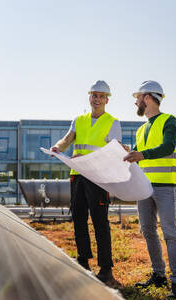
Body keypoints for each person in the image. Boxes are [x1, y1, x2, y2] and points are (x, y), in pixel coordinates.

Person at [50, 80, 122, 287]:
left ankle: (106, 269)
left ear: (107, 99)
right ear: (89, 97)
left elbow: (114, 152)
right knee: (78, 218)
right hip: (77, 174)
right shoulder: (79, 120)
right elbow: (67, 138)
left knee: (100, 222)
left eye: (101, 96)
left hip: (98, 177)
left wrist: (89, 155)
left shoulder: (113, 122)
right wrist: (57, 147)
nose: (97, 99)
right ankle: (83, 261)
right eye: (94, 95)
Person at [123, 80, 176, 300]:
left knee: (170, 233)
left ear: (147, 97)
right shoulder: (141, 129)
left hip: (164, 187)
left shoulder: (170, 121)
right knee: (148, 231)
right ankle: (159, 275)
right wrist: (126, 152)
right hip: (143, 188)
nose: (136, 102)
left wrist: (141, 154)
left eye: (137, 98)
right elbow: (137, 154)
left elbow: (167, 146)